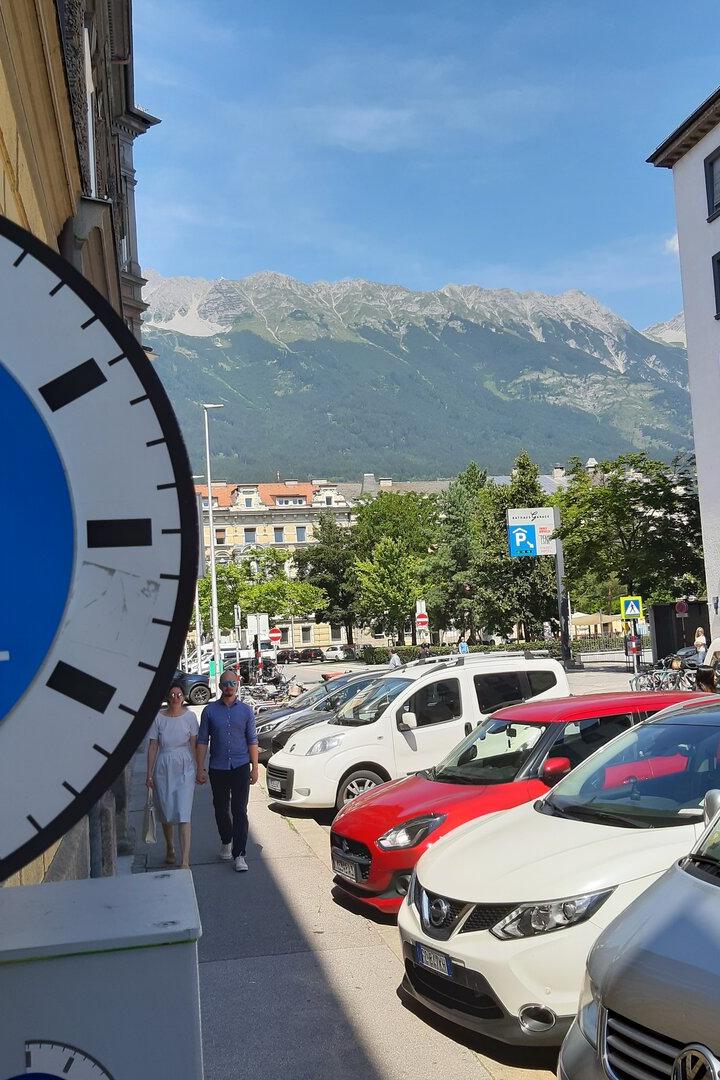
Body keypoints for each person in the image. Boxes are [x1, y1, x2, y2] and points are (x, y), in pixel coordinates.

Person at [196, 669, 258, 872]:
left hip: (240, 766)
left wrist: (255, 767)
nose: (229, 686)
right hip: (218, 767)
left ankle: (240, 854)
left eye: (232, 682)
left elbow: (252, 740)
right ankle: (226, 840)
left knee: (239, 810)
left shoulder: (246, 711)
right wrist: (200, 768)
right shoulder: (210, 711)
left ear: (238, 684)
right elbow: (203, 741)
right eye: (225, 683)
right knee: (221, 808)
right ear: (220, 686)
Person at [146, 680, 198, 869]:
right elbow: (153, 746)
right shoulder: (159, 718)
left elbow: (194, 743)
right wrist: (149, 773)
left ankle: (185, 861)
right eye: (173, 695)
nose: (176, 698)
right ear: (167, 697)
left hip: (185, 765)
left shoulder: (190, 717)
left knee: (184, 812)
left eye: (179, 695)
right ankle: (170, 847)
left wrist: (200, 768)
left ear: (183, 697)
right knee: (167, 811)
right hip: (164, 765)